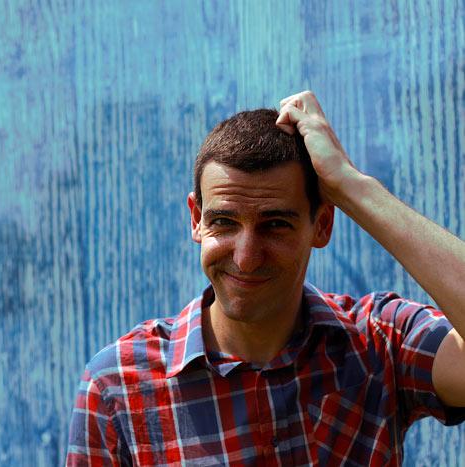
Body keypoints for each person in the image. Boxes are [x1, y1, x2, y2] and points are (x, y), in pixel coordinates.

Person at [65, 91, 465, 466]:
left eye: (275, 225)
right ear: (196, 219)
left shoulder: (379, 343)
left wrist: (351, 185)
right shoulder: (118, 387)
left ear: (322, 224)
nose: (246, 258)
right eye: (224, 222)